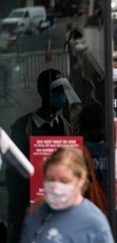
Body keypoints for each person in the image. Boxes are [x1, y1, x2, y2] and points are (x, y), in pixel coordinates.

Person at [9, 69, 79, 242]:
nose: (62, 95)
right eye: (57, 91)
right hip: (29, 206)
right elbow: (13, 171)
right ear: (44, 93)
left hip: (61, 206)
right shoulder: (23, 127)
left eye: (63, 91)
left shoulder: (66, 127)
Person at [20, 147, 114, 243]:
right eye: (51, 179)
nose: (56, 188)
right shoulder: (36, 210)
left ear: (81, 180)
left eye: (64, 181)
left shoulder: (94, 223)